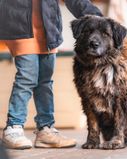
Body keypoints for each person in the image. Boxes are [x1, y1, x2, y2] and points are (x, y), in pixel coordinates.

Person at [0, 0, 102, 149]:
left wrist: (98, 18)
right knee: (27, 78)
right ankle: (13, 127)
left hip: (49, 31)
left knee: (45, 81)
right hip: (19, 27)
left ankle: (46, 130)